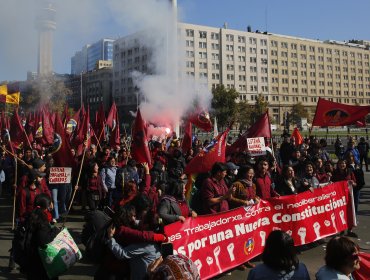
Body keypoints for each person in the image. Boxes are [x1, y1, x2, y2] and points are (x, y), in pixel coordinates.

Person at [26, 193, 60, 280]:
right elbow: (44, 240)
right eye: (49, 203)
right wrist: (55, 231)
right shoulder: (41, 219)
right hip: (41, 261)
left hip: (31, 259)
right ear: (46, 206)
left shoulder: (33, 214)